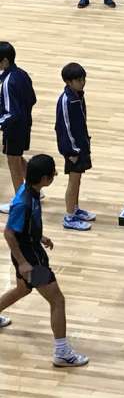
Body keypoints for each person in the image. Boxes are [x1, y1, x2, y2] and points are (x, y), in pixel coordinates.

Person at [0, 154, 89, 367]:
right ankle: (62, 353)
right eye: (53, 173)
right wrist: (23, 263)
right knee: (57, 300)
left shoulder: (31, 192)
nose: (55, 174)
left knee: (23, 289)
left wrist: (39, 236)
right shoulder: (23, 202)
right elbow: (9, 233)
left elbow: (25, 226)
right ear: (44, 179)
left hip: (30, 253)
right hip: (31, 261)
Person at [55, 63, 96, 231]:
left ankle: (75, 208)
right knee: (73, 181)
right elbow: (63, 128)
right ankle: (69, 217)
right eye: (79, 80)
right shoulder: (66, 101)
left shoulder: (78, 95)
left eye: (83, 79)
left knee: (78, 180)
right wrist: (72, 151)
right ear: (68, 82)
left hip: (81, 145)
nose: (83, 82)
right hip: (73, 150)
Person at [0, 42, 37, 215]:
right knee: (18, 157)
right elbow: (32, 99)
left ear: (5, 61)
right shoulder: (22, 74)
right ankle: (34, 188)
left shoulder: (8, 82)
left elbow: (11, 113)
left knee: (13, 161)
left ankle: (20, 202)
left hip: (14, 129)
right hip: (25, 124)